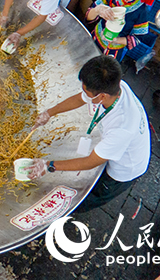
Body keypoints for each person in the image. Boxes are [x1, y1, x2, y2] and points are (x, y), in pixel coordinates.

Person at [23, 55, 150, 212]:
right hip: (120, 145)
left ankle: (68, 213)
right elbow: (80, 99)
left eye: (86, 91)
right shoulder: (115, 87)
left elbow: (91, 162)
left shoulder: (122, 128)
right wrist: (49, 113)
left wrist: (48, 165)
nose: (83, 93)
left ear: (102, 96)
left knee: (93, 196)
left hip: (126, 168)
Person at [86, 0, 150, 58]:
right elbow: (88, 16)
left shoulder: (142, 10)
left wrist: (116, 40)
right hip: (95, 38)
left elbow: (138, 38)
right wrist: (97, 10)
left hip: (113, 52)